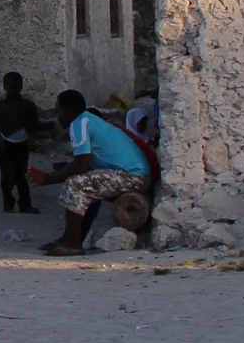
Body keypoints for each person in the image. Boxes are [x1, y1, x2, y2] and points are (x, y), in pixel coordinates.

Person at [29, 89, 152, 256]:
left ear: (68, 110)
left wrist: (47, 178)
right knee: (87, 185)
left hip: (133, 176)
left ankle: (73, 243)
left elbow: (81, 165)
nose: (58, 116)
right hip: (137, 174)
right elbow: (84, 163)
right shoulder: (88, 120)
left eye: (59, 111)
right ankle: (70, 238)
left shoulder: (79, 124)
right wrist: (62, 170)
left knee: (76, 184)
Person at [0, 72, 41, 214]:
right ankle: (16, 204)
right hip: (13, 143)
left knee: (15, 175)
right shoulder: (24, 105)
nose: (12, 88)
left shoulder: (10, 105)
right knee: (12, 176)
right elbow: (33, 126)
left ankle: (17, 204)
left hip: (13, 143)